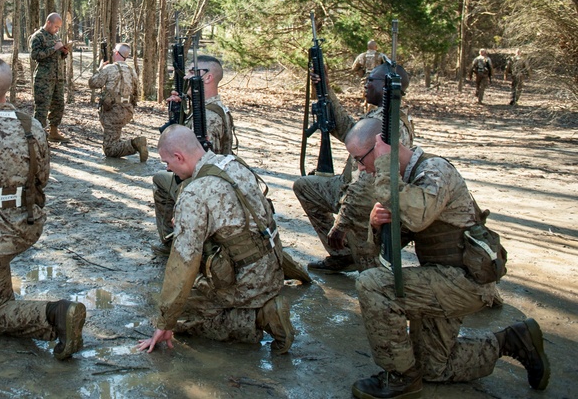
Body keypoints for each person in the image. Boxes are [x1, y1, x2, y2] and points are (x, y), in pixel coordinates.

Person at [344, 118, 550, 398]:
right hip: (441, 278)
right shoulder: (403, 181)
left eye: (360, 159)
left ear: (380, 150)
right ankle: (512, 341)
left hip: (464, 281)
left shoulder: (434, 170)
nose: (359, 168)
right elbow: (388, 248)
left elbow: (417, 216)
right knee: (434, 369)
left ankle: (401, 378)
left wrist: (383, 167)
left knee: (373, 285)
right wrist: (376, 226)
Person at [0, 57, 86, 360]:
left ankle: (56, 316)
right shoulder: (31, 124)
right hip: (28, 224)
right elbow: (43, 177)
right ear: (9, 89)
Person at [137, 125, 293, 355]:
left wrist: (166, 321)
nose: (168, 168)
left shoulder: (194, 194)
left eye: (167, 163)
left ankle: (261, 317)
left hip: (247, 282)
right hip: (272, 268)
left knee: (181, 316)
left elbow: (182, 264)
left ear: (179, 156)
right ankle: (262, 306)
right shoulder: (232, 163)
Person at [293, 63, 413, 272]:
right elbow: (349, 131)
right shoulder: (379, 115)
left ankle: (367, 265)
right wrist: (326, 90)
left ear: (387, 86)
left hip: (365, 202)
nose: (364, 83)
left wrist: (341, 223)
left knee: (370, 276)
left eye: (370, 80)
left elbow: (366, 184)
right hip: (346, 187)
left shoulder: (388, 124)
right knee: (305, 186)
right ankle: (342, 255)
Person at [152, 55, 236, 249]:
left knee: (162, 179)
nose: (186, 77)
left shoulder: (209, 117)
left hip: (208, 187)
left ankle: (175, 242)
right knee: (162, 177)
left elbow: (203, 167)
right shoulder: (207, 108)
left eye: (192, 72)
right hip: (208, 180)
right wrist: (177, 113)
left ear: (207, 78)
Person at [88, 43, 148, 161]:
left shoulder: (109, 68)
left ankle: (135, 144)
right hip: (127, 110)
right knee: (114, 135)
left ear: (116, 53)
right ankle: (122, 142)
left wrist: (99, 68)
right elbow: (137, 93)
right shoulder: (132, 71)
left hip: (112, 111)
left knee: (109, 150)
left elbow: (93, 83)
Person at [29, 13, 70, 143]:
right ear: (48, 23)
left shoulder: (55, 37)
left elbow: (57, 56)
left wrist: (63, 52)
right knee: (42, 107)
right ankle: (38, 136)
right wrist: (54, 48)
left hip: (57, 78)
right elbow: (35, 55)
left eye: (59, 27)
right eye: (56, 26)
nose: (57, 29)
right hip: (44, 79)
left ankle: (53, 131)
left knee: (58, 105)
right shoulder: (38, 37)